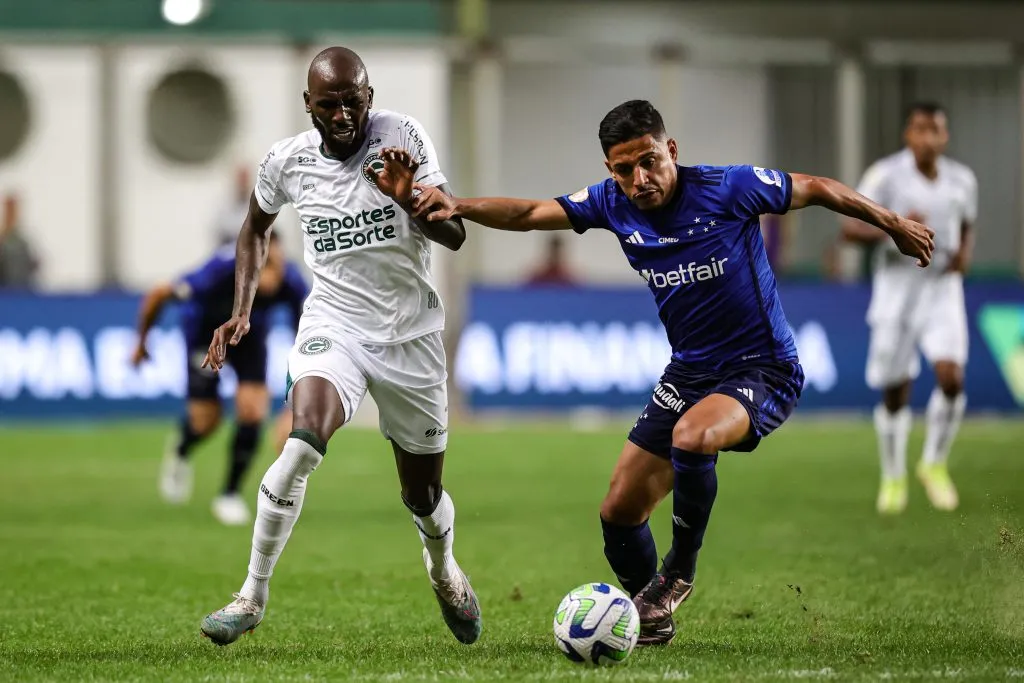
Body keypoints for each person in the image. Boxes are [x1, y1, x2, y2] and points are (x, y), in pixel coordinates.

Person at [405, 99, 934, 646]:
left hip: (764, 367)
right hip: (690, 372)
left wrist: (892, 223)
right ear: (610, 170)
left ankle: (677, 574)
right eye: (623, 168)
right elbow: (531, 214)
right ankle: (650, 620)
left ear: (671, 150)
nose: (639, 179)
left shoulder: (729, 188)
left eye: (649, 161)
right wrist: (458, 204)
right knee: (619, 511)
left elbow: (819, 186)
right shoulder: (612, 202)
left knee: (694, 435)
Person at [197, 46, 480, 647]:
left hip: (412, 336)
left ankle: (443, 569)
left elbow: (453, 234)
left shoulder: (402, 136)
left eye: (353, 101)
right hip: (335, 324)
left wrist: (409, 197)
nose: (344, 115)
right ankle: (251, 594)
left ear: (369, 96)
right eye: (330, 104)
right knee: (304, 440)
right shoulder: (287, 162)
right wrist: (240, 311)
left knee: (422, 495)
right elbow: (255, 226)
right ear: (310, 106)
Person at [841, 102, 976, 515]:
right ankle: (894, 474)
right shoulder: (885, 175)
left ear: (945, 135)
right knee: (895, 389)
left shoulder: (962, 179)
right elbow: (849, 227)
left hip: (941, 288)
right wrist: (892, 225)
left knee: (951, 378)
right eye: (921, 129)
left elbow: (967, 222)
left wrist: (964, 255)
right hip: (897, 289)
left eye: (936, 129)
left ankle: (934, 464)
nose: (929, 138)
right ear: (908, 134)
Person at [131, 232, 309, 526]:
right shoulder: (220, 273)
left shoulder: (290, 282)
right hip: (204, 331)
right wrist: (141, 343)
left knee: (253, 409)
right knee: (206, 421)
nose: (272, 276)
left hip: (249, 336)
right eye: (265, 267)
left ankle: (229, 494)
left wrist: (295, 405)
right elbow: (160, 293)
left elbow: (304, 340)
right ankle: (181, 448)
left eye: (276, 266)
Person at [0, 193, 40, 289]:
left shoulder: (22, 241)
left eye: (14, 209)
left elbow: (32, 264)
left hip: (23, 290)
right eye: (9, 208)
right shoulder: (3, 238)